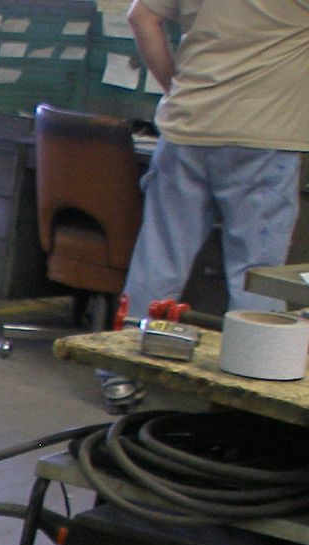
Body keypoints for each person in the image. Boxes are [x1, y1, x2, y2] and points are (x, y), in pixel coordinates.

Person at [122, 0, 308, 316]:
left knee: (159, 258)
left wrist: (177, 89)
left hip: (185, 130)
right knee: (256, 274)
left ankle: (121, 359)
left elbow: (141, 16)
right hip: (262, 137)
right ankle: (251, 364)